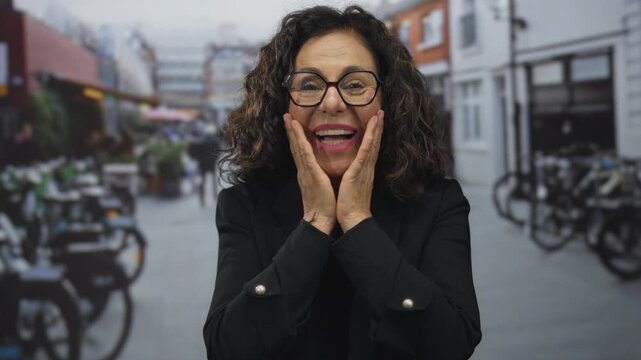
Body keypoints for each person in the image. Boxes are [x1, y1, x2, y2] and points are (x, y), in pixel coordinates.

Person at [203, 5, 481, 359]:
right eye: (309, 84)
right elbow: (227, 347)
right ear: (282, 105)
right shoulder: (243, 207)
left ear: (388, 100)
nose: (332, 102)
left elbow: (452, 343)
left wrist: (358, 222)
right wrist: (316, 223)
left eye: (354, 83)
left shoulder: (438, 203)